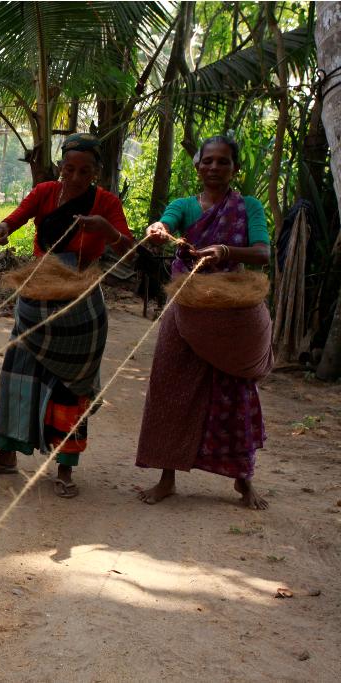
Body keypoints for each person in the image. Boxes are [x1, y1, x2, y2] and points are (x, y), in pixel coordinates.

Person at [0, 133, 134, 498]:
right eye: (69, 169)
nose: (74, 178)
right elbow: (14, 219)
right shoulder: (45, 192)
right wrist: (2, 230)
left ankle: (64, 468)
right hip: (36, 300)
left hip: (80, 309)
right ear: (60, 167)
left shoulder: (105, 202)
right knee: (18, 376)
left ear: (97, 173)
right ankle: (6, 454)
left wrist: (105, 230)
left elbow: (129, 248)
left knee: (70, 387)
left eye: (84, 171)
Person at [135, 135, 273, 509]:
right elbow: (164, 226)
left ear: (235, 168)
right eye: (207, 161)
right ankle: (167, 478)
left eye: (223, 162)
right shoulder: (183, 206)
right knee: (170, 388)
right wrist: (157, 231)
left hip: (232, 316)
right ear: (197, 167)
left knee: (236, 394)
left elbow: (262, 253)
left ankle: (243, 482)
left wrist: (228, 251)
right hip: (186, 308)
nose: (214, 168)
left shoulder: (249, 208)